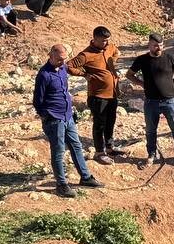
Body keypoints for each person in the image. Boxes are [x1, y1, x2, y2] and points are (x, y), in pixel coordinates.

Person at [33, 44, 104, 198]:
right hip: (54, 118)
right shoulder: (44, 75)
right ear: (50, 56)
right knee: (58, 151)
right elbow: (37, 101)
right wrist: (46, 116)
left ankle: (85, 178)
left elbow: (65, 90)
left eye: (64, 59)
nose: (62, 62)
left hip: (67, 116)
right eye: (59, 59)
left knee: (76, 146)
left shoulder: (64, 69)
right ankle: (61, 185)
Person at [127, 33, 174, 167]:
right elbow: (129, 74)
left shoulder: (169, 57)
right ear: (149, 45)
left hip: (169, 100)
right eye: (155, 45)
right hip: (151, 102)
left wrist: (172, 83)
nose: (158, 48)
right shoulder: (142, 59)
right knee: (150, 130)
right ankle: (151, 154)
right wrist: (141, 83)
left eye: (160, 45)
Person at [67, 26, 122, 165]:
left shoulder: (110, 47)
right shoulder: (86, 55)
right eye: (103, 41)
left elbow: (116, 51)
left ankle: (109, 148)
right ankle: (99, 152)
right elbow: (69, 66)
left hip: (112, 94)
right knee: (99, 124)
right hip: (98, 96)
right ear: (95, 39)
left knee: (111, 122)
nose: (106, 43)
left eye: (108, 40)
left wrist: (112, 64)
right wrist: (85, 74)